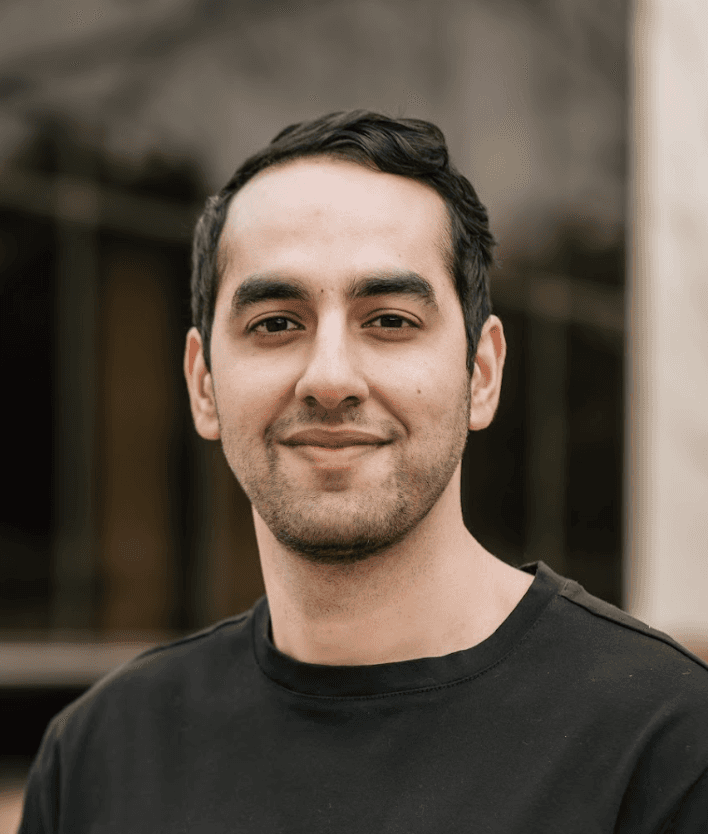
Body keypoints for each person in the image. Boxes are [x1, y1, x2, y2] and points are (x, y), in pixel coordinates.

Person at [20, 111, 708, 833]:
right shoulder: (100, 758)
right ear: (203, 383)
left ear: (481, 373)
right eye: (276, 323)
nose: (329, 378)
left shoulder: (663, 747)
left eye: (389, 321)